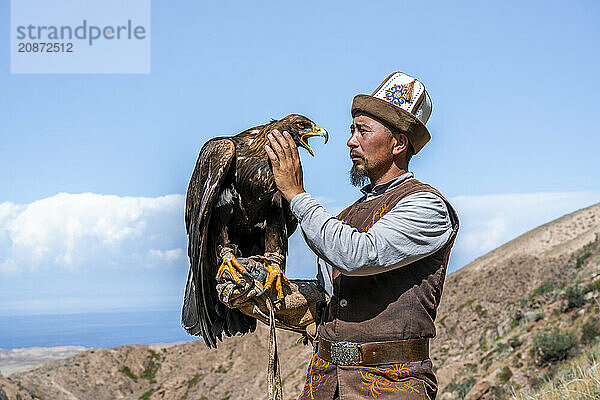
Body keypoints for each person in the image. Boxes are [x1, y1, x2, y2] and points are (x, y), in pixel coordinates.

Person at [220, 72, 459, 400]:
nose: (350, 141)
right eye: (351, 130)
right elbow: (329, 294)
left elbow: (360, 256)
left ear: (398, 143)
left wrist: (295, 193)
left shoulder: (426, 206)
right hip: (325, 383)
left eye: (363, 131)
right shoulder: (346, 216)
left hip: (392, 385)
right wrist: (271, 294)